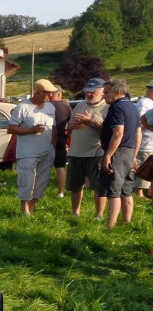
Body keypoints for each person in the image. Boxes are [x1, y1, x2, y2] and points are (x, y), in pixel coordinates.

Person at [7, 79, 57, 216]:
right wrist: (31, 130)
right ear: (38, 93)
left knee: (42, 182)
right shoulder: (22, 107)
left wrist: (53, 146)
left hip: (47, 151)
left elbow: (54, 128)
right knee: (27, 181)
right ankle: (24, 209)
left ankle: (31, 207)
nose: (51, 96)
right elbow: (11, 129)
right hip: (27, 152)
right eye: (48, 93)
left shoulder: (50, 107)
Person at [98, 78, 141, 229]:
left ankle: (110, 226)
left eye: (106, 92)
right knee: (126, 190)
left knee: (113, 189)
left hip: (117, 151)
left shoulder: (117, 107)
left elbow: (118, 132)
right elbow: (138, 134)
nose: (103, 95)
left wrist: (108, 155)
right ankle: (127, 222)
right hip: (129, 151)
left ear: (117, 93)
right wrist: (134, 156)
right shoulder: (132, 107)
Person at [65, 77, 109, 219]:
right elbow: (69, 127)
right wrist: (72, 126)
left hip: (96, 152)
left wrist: (90, 122)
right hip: (76, 151)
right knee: (75, 186)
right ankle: (75, 213)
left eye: (93, 92)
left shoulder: (108, 107)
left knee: (98, 186)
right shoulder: (80, 105)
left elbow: (109, 131)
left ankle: (99, 215)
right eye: (87, 91)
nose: (89, 94)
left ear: (102, 91)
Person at [49, 86, 72, 197]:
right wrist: (67, 136)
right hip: (60, 138)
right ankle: (61, 192)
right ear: (59, 94)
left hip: (45, 138)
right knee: (60, 166)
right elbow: (71, 124)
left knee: (40, 167)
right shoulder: (66, 107)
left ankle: (35, 191)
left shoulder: (44, 106)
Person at [135, 82, 153, 201]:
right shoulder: (144, 103)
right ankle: (139, 194)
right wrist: (149, 128)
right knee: (144, 167)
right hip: (145, 142)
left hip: (150, 142)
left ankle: (149, 193)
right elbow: (139, 121)